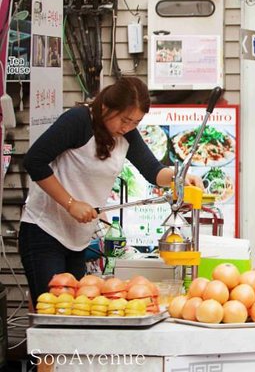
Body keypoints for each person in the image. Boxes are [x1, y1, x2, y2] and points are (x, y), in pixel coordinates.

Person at [20, 77, 203, 305]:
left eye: (136, 122)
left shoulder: (127, 133)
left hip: (78, 238)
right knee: (51, 309)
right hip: (44, 230)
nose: (127, 127)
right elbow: (34, 161)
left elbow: (153, 172)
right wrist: (70, 203)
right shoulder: (78, 121)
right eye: (125, 120)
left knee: (75, 313)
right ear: (106, 107)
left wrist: (180, 178)